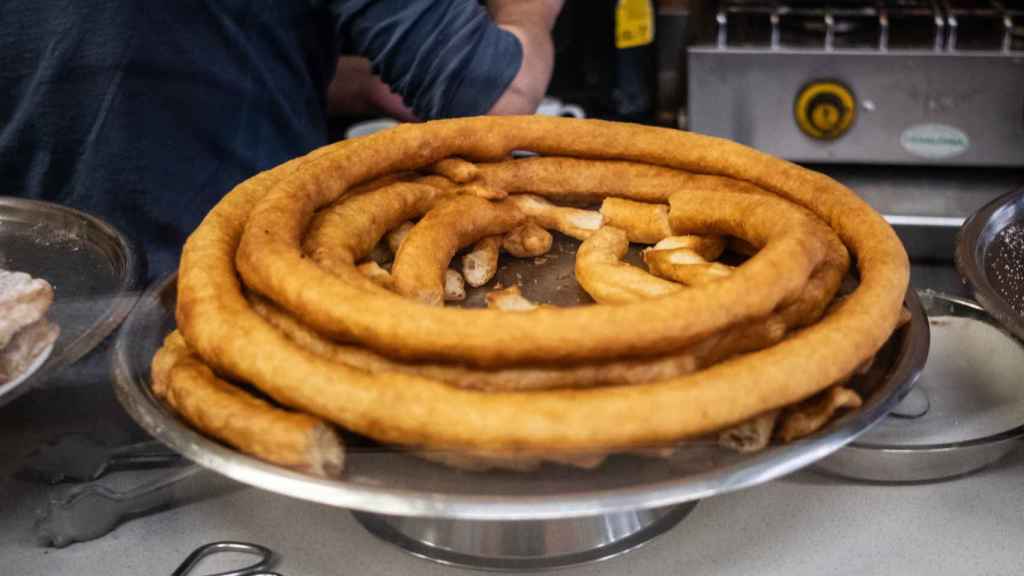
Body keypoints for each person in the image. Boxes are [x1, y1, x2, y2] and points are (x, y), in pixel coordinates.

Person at [0, 0, 563, 281]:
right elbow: (496, 97)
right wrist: (530, 16)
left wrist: (355, 85)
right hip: (217, 300)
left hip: (29, 312)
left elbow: (101, 60)